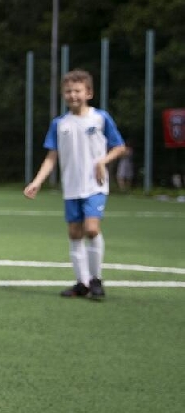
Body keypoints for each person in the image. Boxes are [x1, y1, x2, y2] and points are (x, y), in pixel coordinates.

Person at [24, 70, 126, 300]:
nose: (73, 95)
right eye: (68, 91)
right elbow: (52, 156)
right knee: (74, 233)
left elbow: (119, 146)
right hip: (71, 186)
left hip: (95, 185)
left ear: (88, 93)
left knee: (91, 229)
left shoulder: (100, 118)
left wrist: (103, 161)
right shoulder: (60, 124)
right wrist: (37, 182)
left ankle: (96, 280)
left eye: (77, 90)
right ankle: (81, 283)